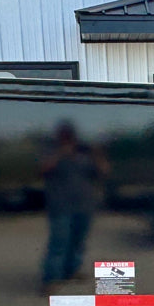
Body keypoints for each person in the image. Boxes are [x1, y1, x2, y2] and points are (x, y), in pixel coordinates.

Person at [39, 122, 107, 286]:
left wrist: (97, 154)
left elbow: (103, 172)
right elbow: (42, 170)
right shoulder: (49, 151)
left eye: (70, 136)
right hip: (60, 206)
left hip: (85, 206)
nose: (68, 140)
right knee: (59, 243)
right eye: (65, 136)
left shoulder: (85, 156)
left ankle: (72, 270)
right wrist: (60, 153)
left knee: (78, 242)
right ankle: (51, 278)